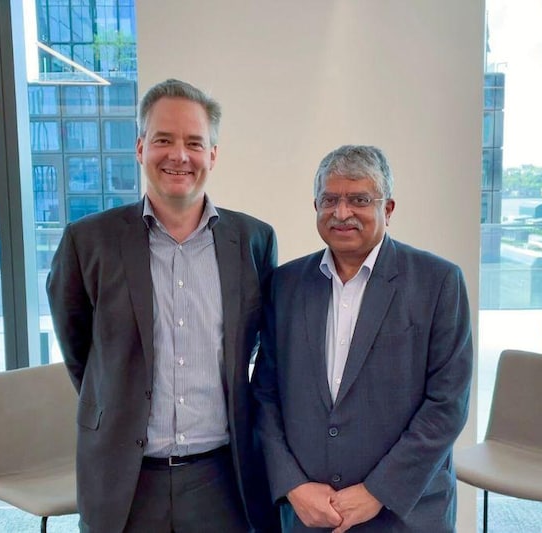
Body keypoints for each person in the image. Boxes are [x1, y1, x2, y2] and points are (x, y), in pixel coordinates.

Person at [47, 78, 278, 532]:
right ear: (139, 147)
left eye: (194, 142)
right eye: (163, 140)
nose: (179, 155)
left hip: (224, 479)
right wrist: (119, 399)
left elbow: (260, 346)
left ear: (213, 154)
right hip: (126, 479)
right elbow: (80, 350)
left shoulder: (254, 240)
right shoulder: (88, 241)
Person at [254, 145, 473, 532]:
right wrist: (293, 485)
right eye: (330, 199)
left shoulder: (438, 282)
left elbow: (447, 405)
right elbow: (266, 396)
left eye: (359, 200)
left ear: (387, 209)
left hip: (403, 512)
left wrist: (377, 491)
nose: (342, 213)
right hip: (308, 513)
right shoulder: (284, 285)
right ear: (316, 205)